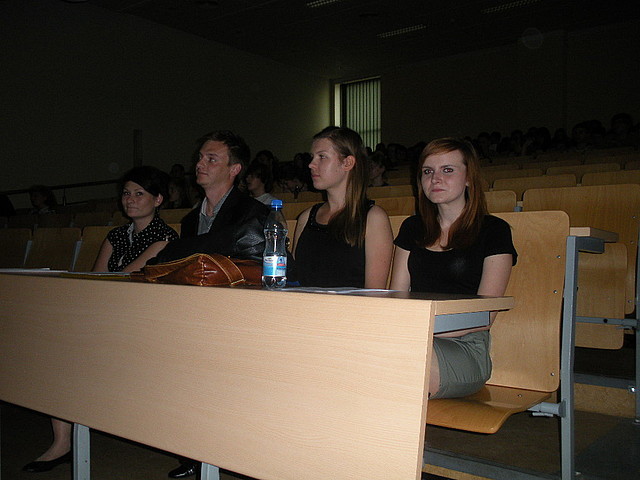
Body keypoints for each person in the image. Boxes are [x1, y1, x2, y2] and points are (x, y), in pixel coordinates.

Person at [22, 166, 178, 473]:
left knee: (71, 349)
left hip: (143, 319)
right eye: (126, 193)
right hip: (109, 312)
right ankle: (62, 442)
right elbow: (96, 280)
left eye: (139, 193)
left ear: (158, 199)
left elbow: (125, 278)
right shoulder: (116, 235)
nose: (130, 199)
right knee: (59, 347)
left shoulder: (165, 238)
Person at [154, 131, 270, 479]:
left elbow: (261, 266)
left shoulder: (253, 211)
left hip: (239, 316)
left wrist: (179, 251)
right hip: (196, 312)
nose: (200, 164)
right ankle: (197, 447)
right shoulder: (191, 219)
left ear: (234, 169)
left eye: (211, 159)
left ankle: (221, 447)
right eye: (200, 157)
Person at [390, 137, 517, 399]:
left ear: (469, 177)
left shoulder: (494, 230)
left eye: (447, 170)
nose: (435, 178)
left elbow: (484, 316)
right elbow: (397, 297)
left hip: (465, 346)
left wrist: (418, 332)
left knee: (400, 358)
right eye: (428, 171)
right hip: (411, 338)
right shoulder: (412, 228)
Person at [292, 126, 393, 289]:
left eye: (322, 157)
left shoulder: (373, 218)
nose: (311, 164)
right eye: (312, 157)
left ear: (347, 163)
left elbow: (374, 293)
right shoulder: (306, 217)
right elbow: (294, 280)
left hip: (350, 306)